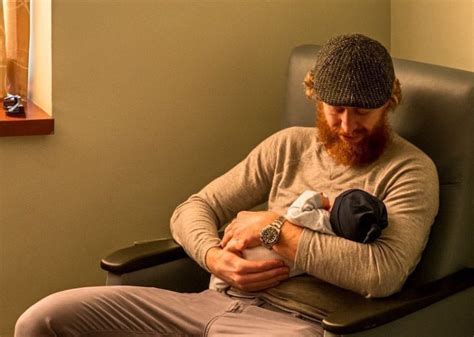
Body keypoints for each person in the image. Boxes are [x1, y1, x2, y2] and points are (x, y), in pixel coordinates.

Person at [15, 33, 439, 337]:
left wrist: (273, 228)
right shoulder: (288, 146)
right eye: (337, 110)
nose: (348, 126)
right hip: (205, 303)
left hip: (292, 325)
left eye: (363, 112)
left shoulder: (409, 171)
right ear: (315, 98)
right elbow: (193, 208)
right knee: (42, 320)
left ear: (390, 102)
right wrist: (215, 257)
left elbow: (383, 273)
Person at [210, 188, 388, 291]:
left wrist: (320, 199)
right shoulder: (341, 240)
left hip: (244, 259)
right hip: (264, 275)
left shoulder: (320, 219)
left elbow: (295, 213)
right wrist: (210, 255)